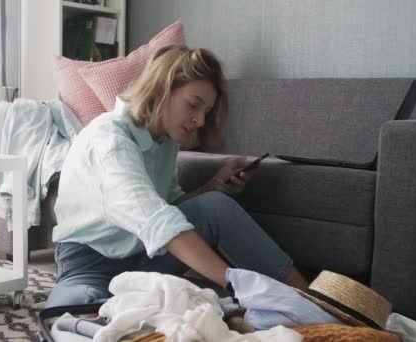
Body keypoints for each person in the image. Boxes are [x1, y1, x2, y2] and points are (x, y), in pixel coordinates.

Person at [46, 45, 308, 308]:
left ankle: (311, 300)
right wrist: (235, 284)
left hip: (145, 256)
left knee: (215, 205)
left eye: (206, 111)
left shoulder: (164, 141)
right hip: (90, 264)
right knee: (70, 316)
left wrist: (211, 187)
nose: (200, 121)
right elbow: (157, 221)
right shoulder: (111, 142)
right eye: (194, 105)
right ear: (161, 89)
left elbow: (170, 206)